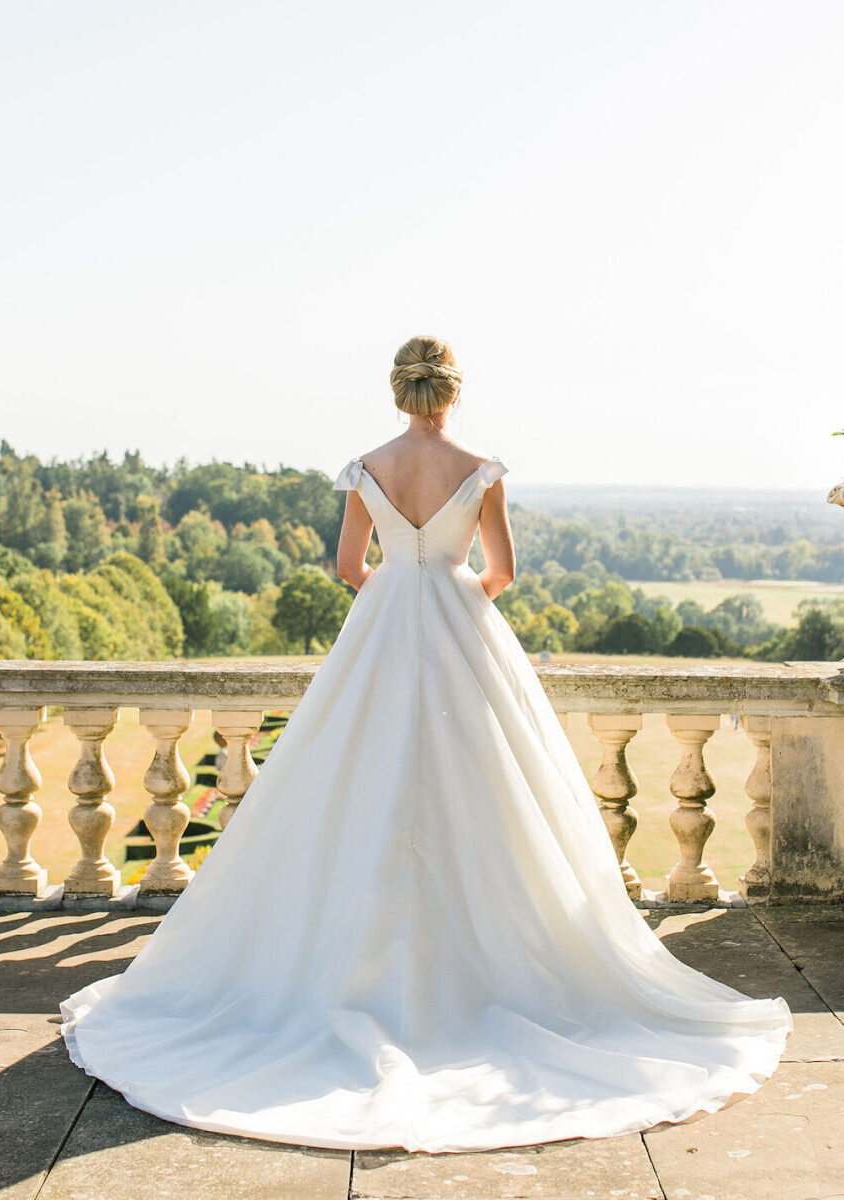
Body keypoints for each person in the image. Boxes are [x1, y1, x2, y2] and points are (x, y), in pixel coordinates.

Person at [59, 335, 793, 1154]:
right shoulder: (482, 469)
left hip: (378, 628)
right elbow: (501, 571)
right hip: (458, 625)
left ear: (397, 393)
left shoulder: (364, 466)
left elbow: (348, 565)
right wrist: (450, 606)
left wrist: (395, 603)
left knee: (346, 785)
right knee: (486, 796)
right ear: (452, 393)